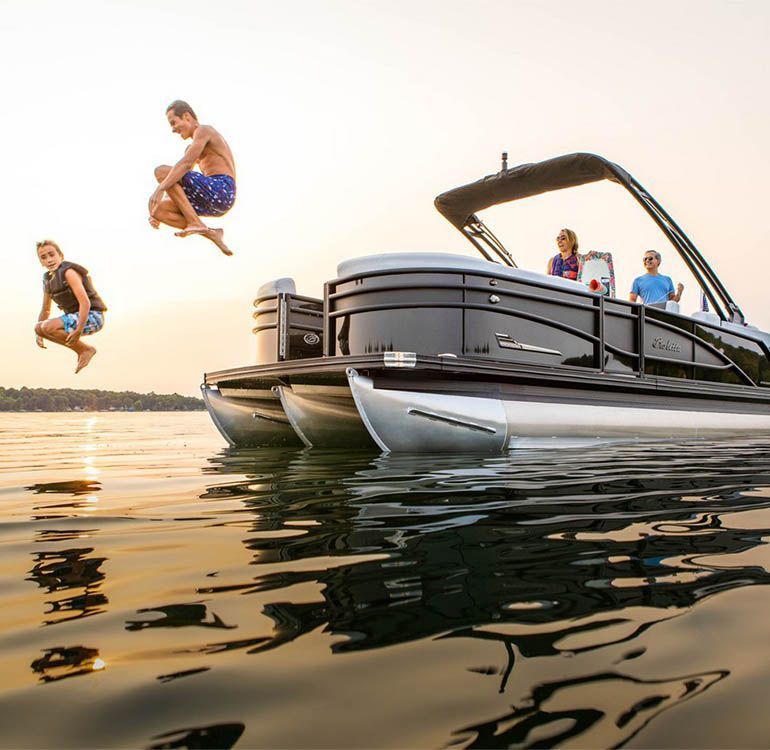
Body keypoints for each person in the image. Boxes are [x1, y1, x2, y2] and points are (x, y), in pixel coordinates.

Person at [149, 100, 237, 257]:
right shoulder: (192, 147)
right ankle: (210, 233)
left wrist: (159, 189)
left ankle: (195, 223)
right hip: (212, 202)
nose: (173, 129)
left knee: (161, 172)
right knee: (159, 210)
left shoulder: (204, 131)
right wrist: (156, 210)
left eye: (173, 123)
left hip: (222, 189)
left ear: (187, 116)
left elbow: (185, 164)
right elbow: (178, 181)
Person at [35, 240, 107, 373]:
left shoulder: (69, 272)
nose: (49, 260)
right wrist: (39, 335)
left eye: (52, 255)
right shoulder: (47, 280)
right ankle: (82, 350)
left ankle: (86, 349)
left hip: (92, 316)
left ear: (60, 255)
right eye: (43, 257)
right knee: (39, 328)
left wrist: (78, 330)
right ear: (40, 262)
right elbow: (45, 309)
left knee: (47, 327)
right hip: (74, 316)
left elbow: (85, 302)